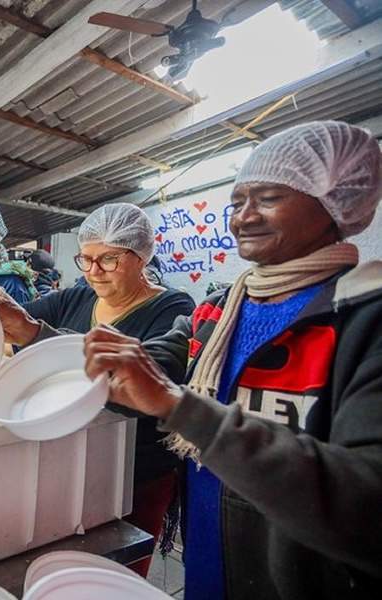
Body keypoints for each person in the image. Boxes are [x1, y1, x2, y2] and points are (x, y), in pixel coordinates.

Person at [81, 121, 382, 599]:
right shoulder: (219, 311)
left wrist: (183, 409)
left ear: (334, 201)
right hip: (210, 562)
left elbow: (366, 502)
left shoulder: (363, 320)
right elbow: (145, 365)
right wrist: (40, 336)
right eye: (237, 203)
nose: (243, 218)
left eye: (267, 198)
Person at [0, 203, 195, 577]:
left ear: (141, 256)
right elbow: (17, 322)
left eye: (108, 260)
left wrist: (33, 332)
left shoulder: (174, 307)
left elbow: (152, 373)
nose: (94, 272)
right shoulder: (77, 298)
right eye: (87, 259)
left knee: (117, 575)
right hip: (72, 464)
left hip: (137, 472)